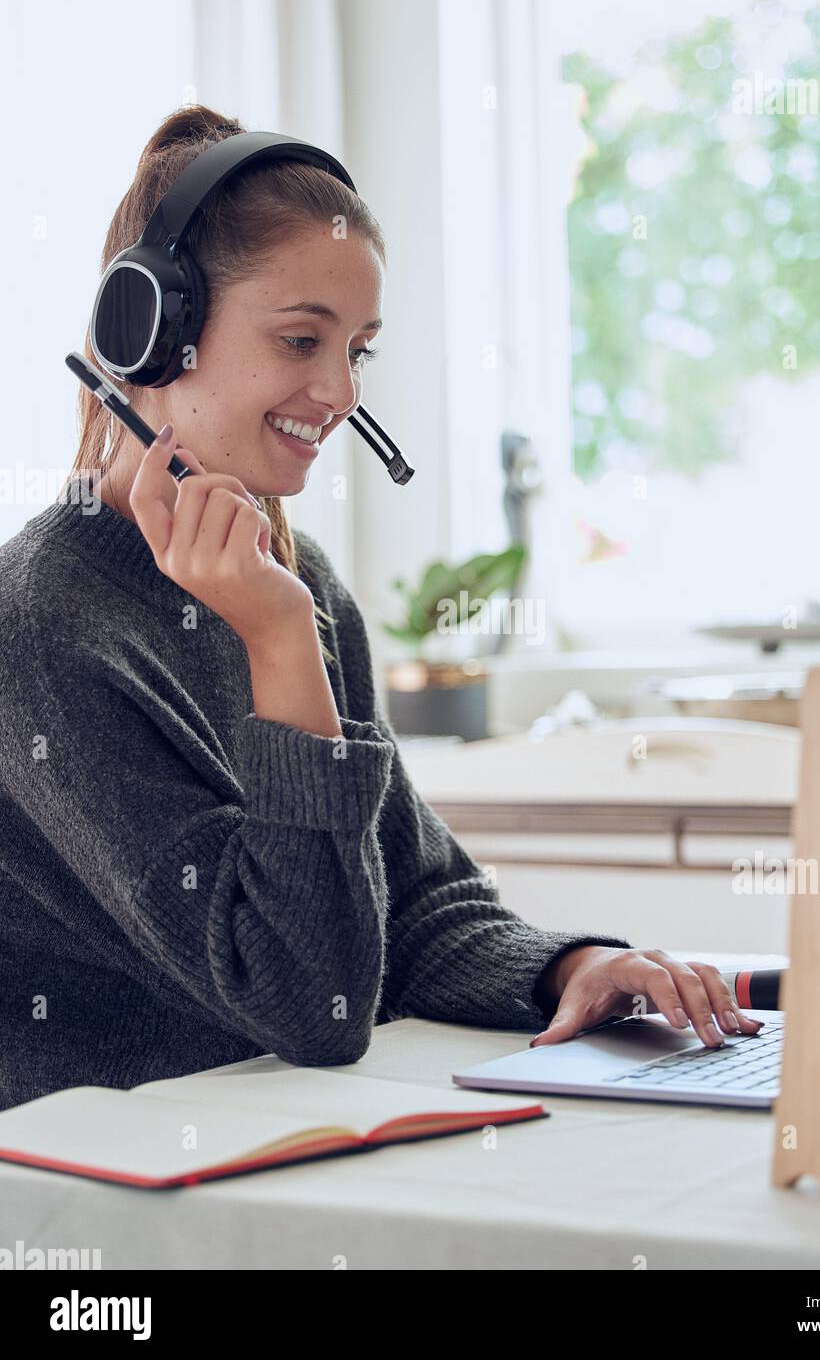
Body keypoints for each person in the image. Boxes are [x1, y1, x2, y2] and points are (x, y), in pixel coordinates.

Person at [0, 105, 761, 1112]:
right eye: (301, 339)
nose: (338, 389)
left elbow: (411, 903)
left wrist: (566, 968)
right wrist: (279, 643)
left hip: (286, 1142)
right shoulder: (44, 623)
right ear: (154, 334)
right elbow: (306, 998)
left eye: (359, 348)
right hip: (112, 1184)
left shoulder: (295, 577)